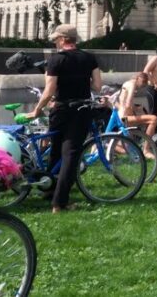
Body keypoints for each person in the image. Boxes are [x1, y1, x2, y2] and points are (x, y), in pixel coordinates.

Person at [24, 24, 103, 212]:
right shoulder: (89, 58)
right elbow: (98, 86)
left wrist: (37, 110)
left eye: (56, 39)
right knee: (71, 155)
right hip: (80, 109)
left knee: (56, 150)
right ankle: (60, 202)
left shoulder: (55, 60)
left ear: (62, 39)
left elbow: (49, 90)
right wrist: (81, 82)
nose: (55, 42)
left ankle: (50, 190)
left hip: (59, 110)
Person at [117, 71, 157, 140]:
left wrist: (136, 108)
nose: (142, 86)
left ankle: (107, 144)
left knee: (130, 145)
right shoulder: (132, 84)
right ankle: (146, 148)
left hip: (121, 115)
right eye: (143, 83)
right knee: (153, 119)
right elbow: (128, 103)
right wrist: (133, 114)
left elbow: (123, 101)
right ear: (138, 79)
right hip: (124, 117)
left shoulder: (127, 83)